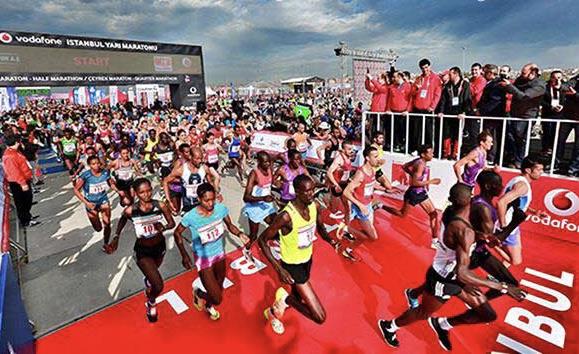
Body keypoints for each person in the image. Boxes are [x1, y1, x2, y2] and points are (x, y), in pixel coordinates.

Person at [378, 183, 526, 351]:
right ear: (470, 199)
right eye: (472, 194)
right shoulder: (463, 229)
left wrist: (513, 223)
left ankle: (442, 324)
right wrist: (503, 286)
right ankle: (389, 326)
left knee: (488, 314)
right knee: (422, 313)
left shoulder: (452, 213)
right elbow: (462, 272)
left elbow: (482, 238)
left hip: (454, 276)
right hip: (444, 279)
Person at [258, 174, 340, 335]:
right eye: (307, 192)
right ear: (297, 191)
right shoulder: (286, 216)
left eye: (313, 190)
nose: (311, 194)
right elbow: (262, 241)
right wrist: (280, 270)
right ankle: (284, 299)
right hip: (292, 266)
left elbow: (321, 228)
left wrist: (331, 241)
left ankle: (273, 314)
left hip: (307, 260)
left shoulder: (314, 206)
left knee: (299, 299)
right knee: (319, 316)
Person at [173, 183, 249, 321]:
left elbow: (230, 225)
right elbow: (177, 233)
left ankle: (208, 305)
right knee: (218, 298)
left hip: (219, 254)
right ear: (199, 199)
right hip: (203, 259)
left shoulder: (221, 209)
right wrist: (184, 255)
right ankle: (200, 294)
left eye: (212, 199)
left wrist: (240, 234)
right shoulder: (190, 217)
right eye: (206, 200)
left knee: (219, 287)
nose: (210, 204)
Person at [108, 178, 176, 322]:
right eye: (142, 192)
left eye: (149, 190)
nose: (147, 194)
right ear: (137, 194)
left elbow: (172, 223)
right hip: (143, 251)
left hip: (159, 248)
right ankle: (151, 302)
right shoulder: (131, 210)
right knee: (158, 285)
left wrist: (163, 227)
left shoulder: (160, 205)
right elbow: (122, 219)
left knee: (153, 275)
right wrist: (116, 237)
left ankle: (148, 279)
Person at [378, 144, 441, 248]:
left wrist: (412, 174)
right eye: (430, 153)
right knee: (433, 214)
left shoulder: (418, 160)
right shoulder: (421, 164)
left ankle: (381, 206)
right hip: (417, 192)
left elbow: (404, 166)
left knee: (401, 214)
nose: (432, 154)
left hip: (413, 192)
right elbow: (415, 183)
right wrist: (431, 181)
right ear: (423, 154)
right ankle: (435, 241)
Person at [496, 155, 546, 266]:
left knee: (514, 253)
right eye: (539, 169)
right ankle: (488, 245)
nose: (541, 172)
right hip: (508, 226)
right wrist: (504, 225)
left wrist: (534, 212)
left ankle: (497, 275)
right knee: (516, 261)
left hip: (513, 225)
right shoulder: (522, 185)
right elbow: (501, 202)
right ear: (528, 170)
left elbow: (516, 204)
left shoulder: (518, 180)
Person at [501, 63, 546, 168]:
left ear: (533, 73)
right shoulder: (520, 80)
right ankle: (514, 158)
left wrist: (509, 86)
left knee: (521, 139)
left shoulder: (539, 84)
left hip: (527, 116)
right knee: (511, 137)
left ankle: (520, 161)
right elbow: (514, 90)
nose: (521, 75)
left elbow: (524, 96)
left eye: (524, 73)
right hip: (514, 114)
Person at [73, 155, 119, 252]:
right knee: (98, 228)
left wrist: (118, 191)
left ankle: (106, 244)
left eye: (98, 163)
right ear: (89, 165)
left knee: (107, 223)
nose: (97, 165)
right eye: (93, 164)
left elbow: (110, 183)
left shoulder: (105, 173)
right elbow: (76, 190)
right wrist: (86, 203)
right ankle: (98, 227)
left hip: (103, 200)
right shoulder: (86, 175)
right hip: (91, 203)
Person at [242, 151, 277, 264]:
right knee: (253, 235)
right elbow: (246, 197)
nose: (268, 164)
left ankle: (273, 242)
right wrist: (262, 198)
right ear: (258, 162)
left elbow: (270, 185)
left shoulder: (269, 169)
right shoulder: (254, 174)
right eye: (265, 162)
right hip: (255, 207)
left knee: (276, 224)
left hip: (267, 205)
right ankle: (247, 250)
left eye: (269, 161)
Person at [163, 147, 221, 213]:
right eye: (197, 158)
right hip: (188, 204)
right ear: (190, 157)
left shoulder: (204, 168)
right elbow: (165, 181)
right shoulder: (181, 170)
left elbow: (210, 183)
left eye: (201, 158)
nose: (200, 161)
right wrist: (169, 200)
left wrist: (216, 193)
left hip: (202, 202)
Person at [343, 146, 380, 241]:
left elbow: (368, 185)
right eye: (375, 157)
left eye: (377, 156)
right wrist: (361, 206)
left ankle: (350, 247)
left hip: (368, 205)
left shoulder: (372, 169)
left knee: (367, 232)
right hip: (361, 208)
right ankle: (346, 228)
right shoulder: (360, 174)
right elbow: (346, 192)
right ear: (367, 158)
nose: (378, 159)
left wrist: (382, 188)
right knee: (373, 237)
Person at [2, 135, 39, 227]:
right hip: (18, 182)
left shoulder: (15, 152)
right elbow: (14, 171)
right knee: (22, 202)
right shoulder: (9, 156)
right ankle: (25, 220)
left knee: (27, 199)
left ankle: (28, 216)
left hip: (24, 178)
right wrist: (22, 183)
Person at [436, 67, 472, 159]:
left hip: (459, 114)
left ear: (456, 74)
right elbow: (443, 100)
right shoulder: (448, 85)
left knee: (457, 134)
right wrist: (441, 112)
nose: (449, 76)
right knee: (446, 133)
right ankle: (446, 153)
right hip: (449, 113)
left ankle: (455, 154)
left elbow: (467, 99)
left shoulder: (465, 84)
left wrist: (464, 112)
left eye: (450, 74)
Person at [410, 58, 442, 153]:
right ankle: (417, 149)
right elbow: (412, 93)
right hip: (417, 108)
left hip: (428, 109)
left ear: (430, 66)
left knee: (428, 132)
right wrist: (416, 88)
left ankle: (429, 151)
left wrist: (432, 106)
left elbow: (437, 94)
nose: (425, 70)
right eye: (423, 68)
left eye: (426, 67)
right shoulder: (419, 79)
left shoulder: (435, 78)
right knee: (417, 131)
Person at [478, 64, 508, 165]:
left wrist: (481, 111)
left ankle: (491, 158)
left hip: (493, 116)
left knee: (492, 138)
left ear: (490, 73)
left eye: (484, 72)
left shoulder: (497, 84)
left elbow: (495, 101)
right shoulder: (491, 83)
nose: (482, 74)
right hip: (489, 116)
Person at [540, 70, 566, 156]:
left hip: (559, 115)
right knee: (547, 133)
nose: (556, 79)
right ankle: (545, 150)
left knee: (556, 134)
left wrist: (562, 106)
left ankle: (555, 151)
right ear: (551, 78)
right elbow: (541, 100)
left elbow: (567, 100)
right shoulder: (545, 87)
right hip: (547, 113)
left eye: (559, 77)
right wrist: (550, 106)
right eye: (554, 78)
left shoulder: (564, 87)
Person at [386, 71, 413, 152]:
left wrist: (408, 110)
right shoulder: (391, 87)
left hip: (403, 113)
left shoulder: (408, 86)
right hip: (394, 112)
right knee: (394, 130)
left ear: (400, 77)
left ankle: (404, 145)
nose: (393, 79)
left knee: (404, 130)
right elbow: (389, 99)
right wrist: (388, 109)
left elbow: (411, 99)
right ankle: (396, 145)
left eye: (395, 77)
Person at [558, 73, 579, 176]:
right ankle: (556, 164)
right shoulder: (575, 79)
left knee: (578, 146)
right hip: (567, 116)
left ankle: (573, 168)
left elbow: (573, 92)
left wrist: (575, 94)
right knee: (559, 141)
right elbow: (566, 86)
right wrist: (560, 85)